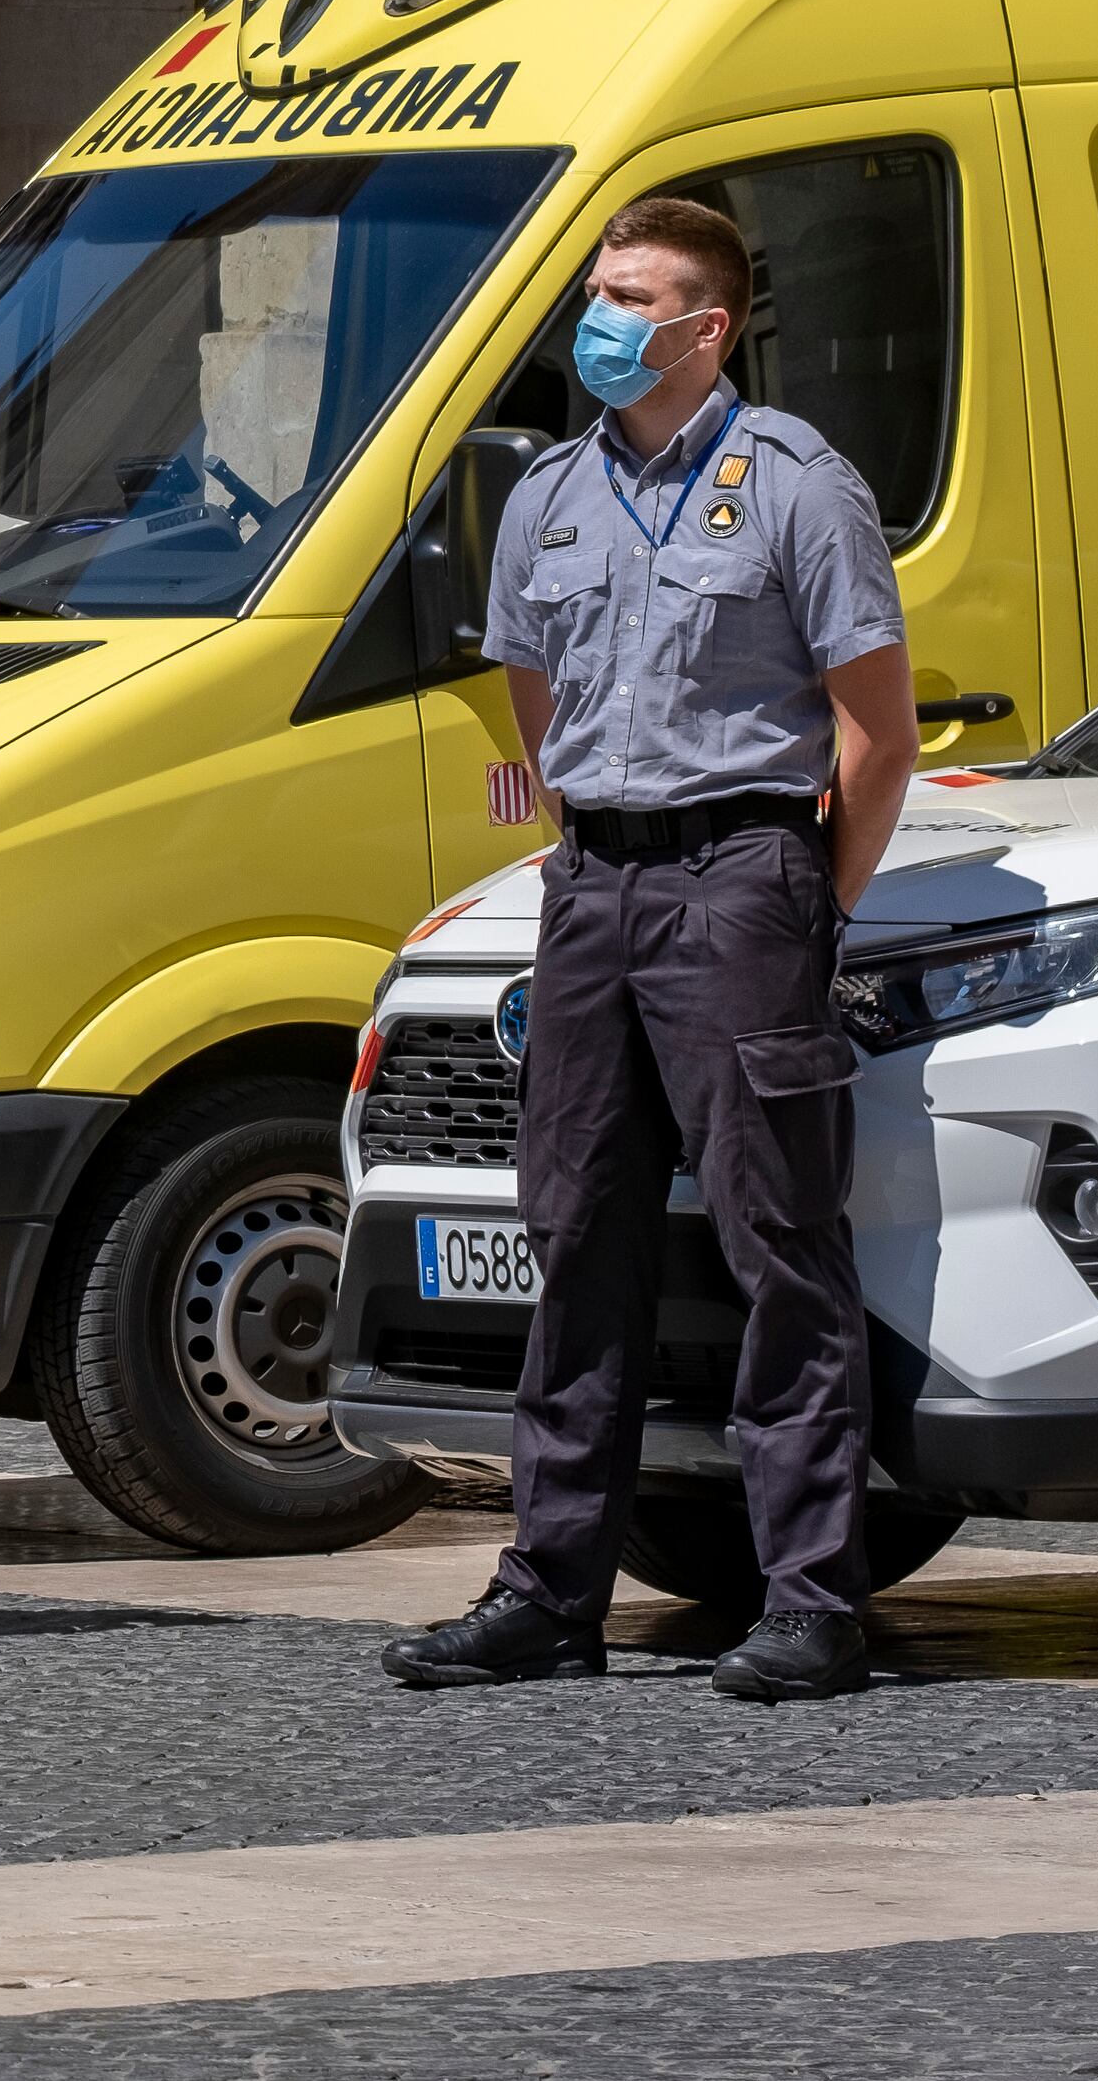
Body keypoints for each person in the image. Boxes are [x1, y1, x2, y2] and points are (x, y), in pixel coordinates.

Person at [384, 195, 919, 1704]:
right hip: (594, 884)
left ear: (711, 326)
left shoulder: (798, 484)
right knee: (576, 1234)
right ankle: (551, 1587)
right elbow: (531, 698)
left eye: (637, 296)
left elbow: (877, 731)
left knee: (779, 1243)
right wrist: (587, 836)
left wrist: (813, 900)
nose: (602, 319)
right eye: (598, 291)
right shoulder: (552, 489)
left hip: (740, 874)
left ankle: (812, 1596)